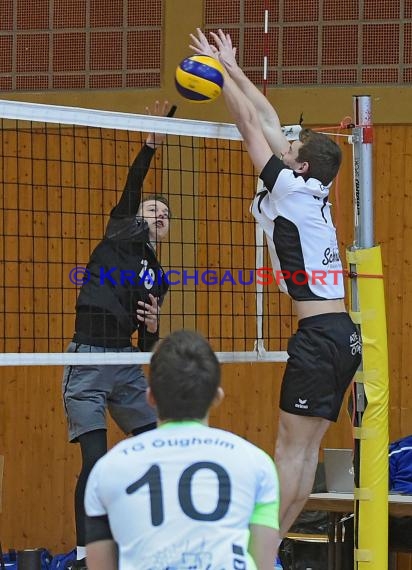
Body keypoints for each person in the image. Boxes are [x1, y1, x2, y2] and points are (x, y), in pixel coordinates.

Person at [189, 29, 362, 539]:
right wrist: (232, 65)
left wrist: (216, 76)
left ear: (300, 163)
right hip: (341, 337)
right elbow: (266, 116)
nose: (282, 142)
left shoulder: (287, 186)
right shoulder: (312, 187)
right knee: (305, 452)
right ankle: (272, 548)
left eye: (291, 145)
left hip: (319, 340)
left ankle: (256, 550)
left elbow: (249, 123)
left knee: (289, 451)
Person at [62, 100, 176, 569]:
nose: (156, 217)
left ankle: (147, 545)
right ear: (134, 217)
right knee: (95, 462)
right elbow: (132, 189)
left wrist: (151, 330)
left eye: (164, 217)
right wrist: (148, 147)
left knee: (153, 453)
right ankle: (89, 554)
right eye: (151, 210)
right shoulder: (117, 236)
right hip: (89, 358)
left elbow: (148, 344)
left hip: (126, 364)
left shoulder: (159, 276)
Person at [84, 329, 280, 570]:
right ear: (217, 397)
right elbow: (263, 564)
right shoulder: (257, 463)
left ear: (150, 397)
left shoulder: (107, 469)